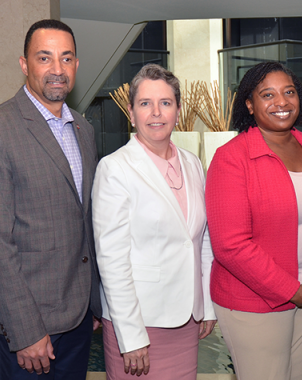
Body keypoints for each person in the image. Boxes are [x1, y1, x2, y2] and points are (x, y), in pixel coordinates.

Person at [205, 61, 302, 380]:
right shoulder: (231, 159)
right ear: (250, 105)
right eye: (267, 94)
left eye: (289, 92)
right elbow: (230, 246)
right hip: (255, 303)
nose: (281, 102)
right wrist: (293, 291)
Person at [92, 64, 216, 379]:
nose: (156, 112)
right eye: (145, 103)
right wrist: (131, 337)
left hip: (187, 320)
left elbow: (201, 241)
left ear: (177, 110)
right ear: (131, 114)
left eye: (166, 103)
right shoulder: (114, 168)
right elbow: (111, 259)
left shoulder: (192, 163)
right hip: (139, 324)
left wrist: (208, 306)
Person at [0, 19, 102, 379]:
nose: (57, 70)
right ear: (25, 65)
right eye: (45, 58)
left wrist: (93, 304)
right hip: (29, 328)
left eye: (67, 58)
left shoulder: (83, 129)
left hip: (77, 321)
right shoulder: (4, 128)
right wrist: (26, 330)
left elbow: (83, 221)